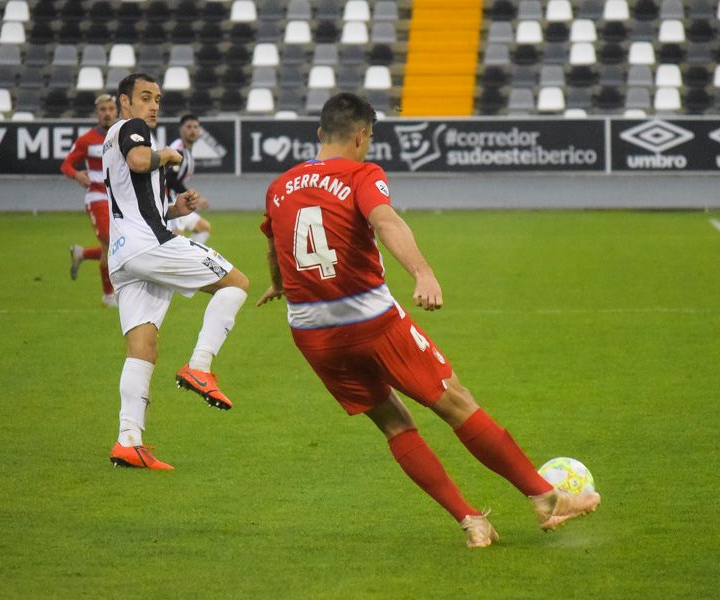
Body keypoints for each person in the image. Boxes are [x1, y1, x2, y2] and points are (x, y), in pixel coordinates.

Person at [256, 93, 599, 547]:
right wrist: (423, 271)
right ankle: (545, 497)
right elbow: (386, 221)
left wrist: (278, 282)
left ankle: (471, 520)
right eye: (369, 139)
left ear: (320, 134)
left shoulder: (279, 186)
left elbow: (275, 240)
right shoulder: (362, 173)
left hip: (312, 335)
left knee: (394, 424)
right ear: (361, 136)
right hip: (371, 321)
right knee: (456, 402)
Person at [103, 73, 250, 470]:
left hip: (123, 254)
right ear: (125, 102)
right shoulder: (132, 130)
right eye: (145, 97)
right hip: (147, 244)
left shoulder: (116, 136)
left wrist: (175, 210)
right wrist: (167, 154)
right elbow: (139, 159)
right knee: (236, 283)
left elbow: (135, 200)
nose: (153, 105)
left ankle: (128, 439)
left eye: (157, 99)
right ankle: (200, 366)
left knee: (143, 347)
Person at [62, 94, 118, 307]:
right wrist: (77, 174)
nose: (107, 113)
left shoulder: (122, 136)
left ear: (116, 111)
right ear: (97, 113)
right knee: (109, 243)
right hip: (97, 196)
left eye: (111, 109)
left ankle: (82, 253)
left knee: (117, 245)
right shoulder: (86, 140)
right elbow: (67, 164)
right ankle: (108, 296)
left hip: (118, 198)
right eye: (103, 109)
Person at [165, 113, 214, 245]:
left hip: (177, 201)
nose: (193, 130)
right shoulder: (177, 151)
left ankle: (190, 258)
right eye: (189, 127)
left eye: (195, 127)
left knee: (204, 228)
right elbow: (169, 179)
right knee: (176, 246)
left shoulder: (186, 151)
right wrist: (190, 197)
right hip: (170, 203)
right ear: (181, 130)